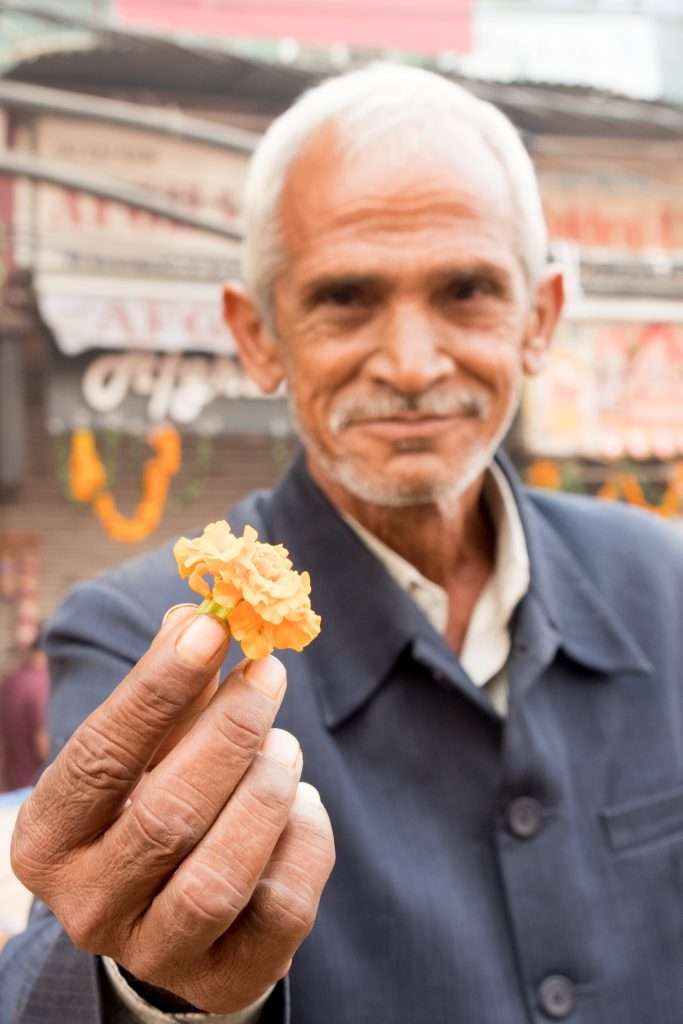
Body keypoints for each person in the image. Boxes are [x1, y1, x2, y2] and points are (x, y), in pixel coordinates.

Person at [2, 62, 683, 1024]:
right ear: (258, 336)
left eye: (465, 292)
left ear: (541, 319)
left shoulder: (664, 582)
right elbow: (47, 976)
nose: (409, 364)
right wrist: (148, 986)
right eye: (345, 300)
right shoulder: (139, 635)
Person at [0, 636, 49, 793]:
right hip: (34, 791)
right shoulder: (42, 684)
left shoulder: (9, 681)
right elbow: (43, 746)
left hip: (9, 792)